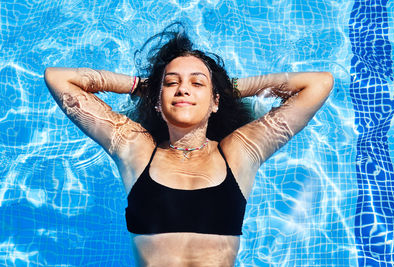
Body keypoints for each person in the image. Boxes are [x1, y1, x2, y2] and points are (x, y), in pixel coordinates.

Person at [44, 25, 333, 266]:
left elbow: (318, 84)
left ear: (215, 102)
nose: (183, 89)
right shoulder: (136, 148)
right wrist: (141, 86)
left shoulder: (239, 151)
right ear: (158, 101)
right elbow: (58, 79)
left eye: (197, 83)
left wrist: (226, 88)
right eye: (171, 83)